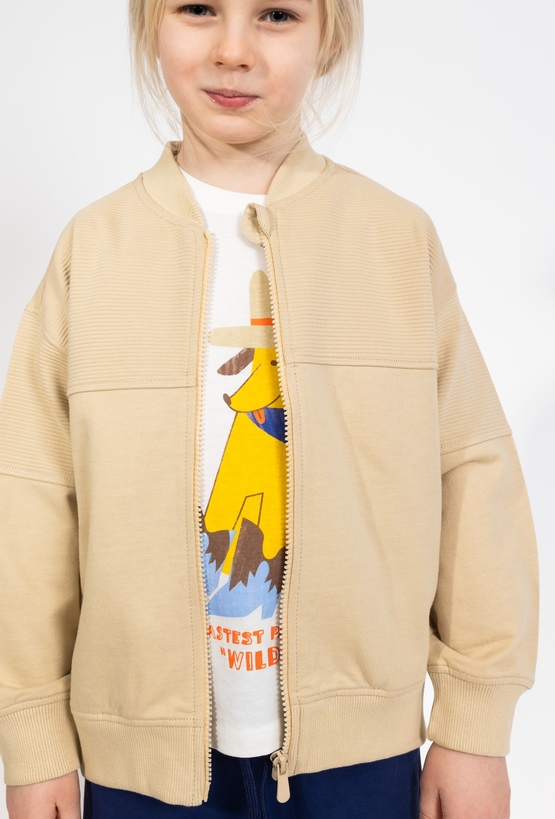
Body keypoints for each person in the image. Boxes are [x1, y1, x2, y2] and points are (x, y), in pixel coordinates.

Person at [0, 0, 539, 817]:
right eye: (198, 9)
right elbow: (32, 499)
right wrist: (32, 731)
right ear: (150, 25)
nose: (233, 49)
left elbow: (472, 474)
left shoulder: (394, 240)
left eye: (276, 15)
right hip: (137, 762)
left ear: (331, 36)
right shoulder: (93, 248)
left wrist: (474, 724)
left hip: (360, 757)